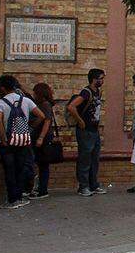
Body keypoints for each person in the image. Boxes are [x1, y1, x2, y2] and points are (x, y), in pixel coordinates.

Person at [0, 75, 42, 209]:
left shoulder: (0, 103)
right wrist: (29, 129)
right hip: (23, 141)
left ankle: (12, 199)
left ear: (2, 88)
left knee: (9, 170)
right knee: (20, 169)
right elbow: (41, 116)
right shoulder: (25, 100)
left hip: (8, 142)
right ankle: (19, 197)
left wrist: (3, 139)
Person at [67, 68, 106, 196]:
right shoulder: (86, 92)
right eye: (101, 78)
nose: (102, 81)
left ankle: (93, 184)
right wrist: (80, 121)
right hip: (85, 131)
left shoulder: (97, 92)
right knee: (85, 158)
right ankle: (83, 186)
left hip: (94, 130)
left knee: (94, 158)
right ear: (94, 79)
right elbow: (71, 106)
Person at [30, 82, 61, 199]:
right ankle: (41, 188)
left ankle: (42, 190)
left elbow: (47, 121)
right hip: (43, 137)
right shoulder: (44, 104)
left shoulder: (44, 105)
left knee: (43, 164)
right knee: (42, 164)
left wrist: (40, 138)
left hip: (44, 137)